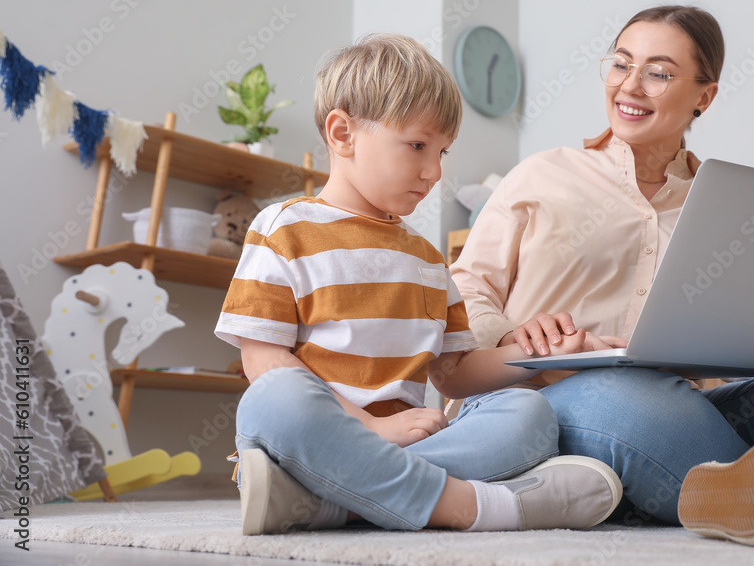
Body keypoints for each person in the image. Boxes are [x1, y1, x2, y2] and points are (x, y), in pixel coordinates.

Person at [450, 5, 754, 547]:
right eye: (620, 64)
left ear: (703, 97)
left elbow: (753, 342)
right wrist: (509, 336)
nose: (631, 86)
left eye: (659, 73)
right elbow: (466, 289)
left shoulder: (732, 208)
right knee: (621, 396)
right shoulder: (541, 175)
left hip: (690, 412)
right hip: (553, 400)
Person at [215, 34, 623, 536]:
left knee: (529, 412)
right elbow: (263, 360)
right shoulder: (281, 229)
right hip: (302, 447)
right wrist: (368, 429)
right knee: (272, 398)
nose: (434, 171)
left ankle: (330, 503)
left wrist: (541, 354)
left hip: (409, 446)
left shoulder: (428, 260)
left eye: (443, 151)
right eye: (417, 146)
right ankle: (473, 507)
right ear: (343, 134)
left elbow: (452, 373)